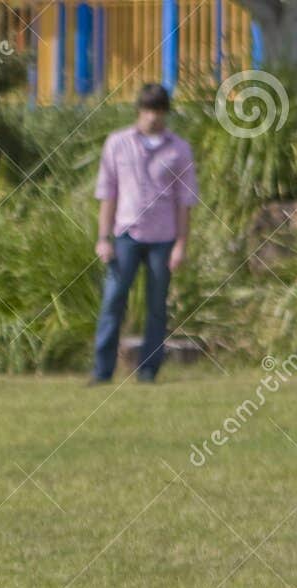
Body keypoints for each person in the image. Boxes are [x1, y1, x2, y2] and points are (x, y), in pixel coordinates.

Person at [90, 83, 199, 384]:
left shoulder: (179, 149)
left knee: (156, 306)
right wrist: (103, 238)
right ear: (139, 110)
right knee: (113, 300)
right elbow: (107, 193)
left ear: (165, 113)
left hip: (163, 238)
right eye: (148, 110)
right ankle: (102, 372)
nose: (153, 116)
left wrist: (181, 244)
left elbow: (185, 202)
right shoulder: (117, 143)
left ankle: (148, 371)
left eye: (159, 111)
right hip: (126, 235)